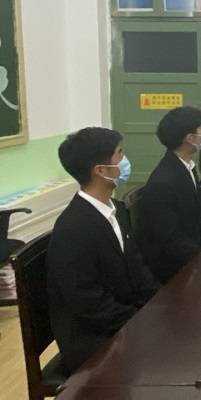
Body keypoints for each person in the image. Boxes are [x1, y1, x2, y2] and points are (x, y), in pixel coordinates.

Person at [47, 127, 159, 376]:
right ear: (100, 170)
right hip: (93, 338)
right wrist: (138, 321)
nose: (125, 160)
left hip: (123, 318)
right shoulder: (73, 228)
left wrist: (161, 302)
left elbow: (136, 266)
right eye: (120, 154)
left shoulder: (117, 209)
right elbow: (87, 300)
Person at [136, 106, 201, 284]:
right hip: (176, 270)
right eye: (200, 129)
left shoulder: (187, 167)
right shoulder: (163, 182)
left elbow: (199, 213)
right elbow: (169, 237)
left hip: (194, 255)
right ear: (189, 138)